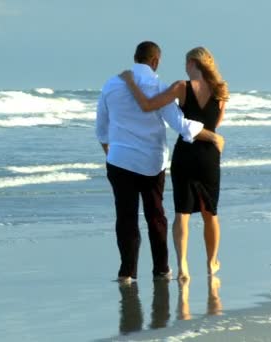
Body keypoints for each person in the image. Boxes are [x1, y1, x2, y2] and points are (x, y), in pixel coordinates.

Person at [95, 41, 225, 283]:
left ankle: (127, 271)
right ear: (155, 61)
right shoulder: (160, 86)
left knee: (125, 216)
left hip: (119, 160)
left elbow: (101, 129)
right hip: (151, 161)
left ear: (135, 57)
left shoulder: (111, 84)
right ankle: (162, 269)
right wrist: (212, 136)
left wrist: (111, 154)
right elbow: (180, 124)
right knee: (156, 215)